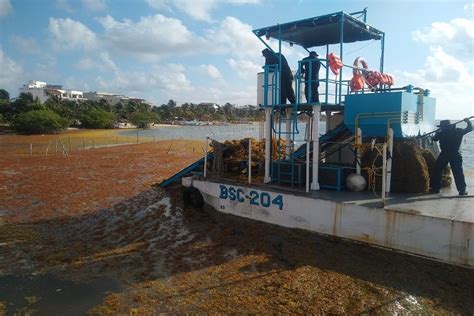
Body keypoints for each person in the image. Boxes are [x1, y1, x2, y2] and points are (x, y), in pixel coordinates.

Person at [431, 118, 472, 195]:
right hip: (454, 155)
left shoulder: (442, 133)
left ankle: (435, 188)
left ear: (447, 126)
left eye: (442, 127)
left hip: (446, 154)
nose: (441, 128)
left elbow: (434, 139)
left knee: (437, 170)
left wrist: (437, 133)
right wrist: (468, 122)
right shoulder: (458, 131)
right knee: (457, 172)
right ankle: (462, 190)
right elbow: (470, 128)